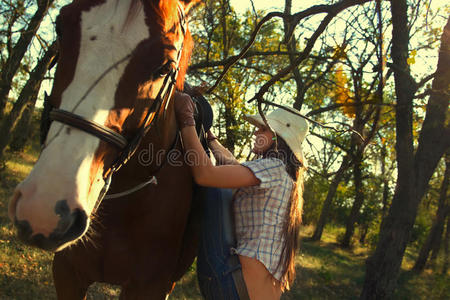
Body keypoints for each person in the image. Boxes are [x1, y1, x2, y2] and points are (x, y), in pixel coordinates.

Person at [174, 91, 308, 300]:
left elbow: (205, 175)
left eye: (262, 129)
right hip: (245, 292)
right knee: (224, 181)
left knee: (215, 189)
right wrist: (210, 138)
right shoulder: (283, 175)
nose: (255, 133)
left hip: (232, 284)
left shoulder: (273, 168)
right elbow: (235, 166)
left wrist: (186, 120)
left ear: (276, 137)